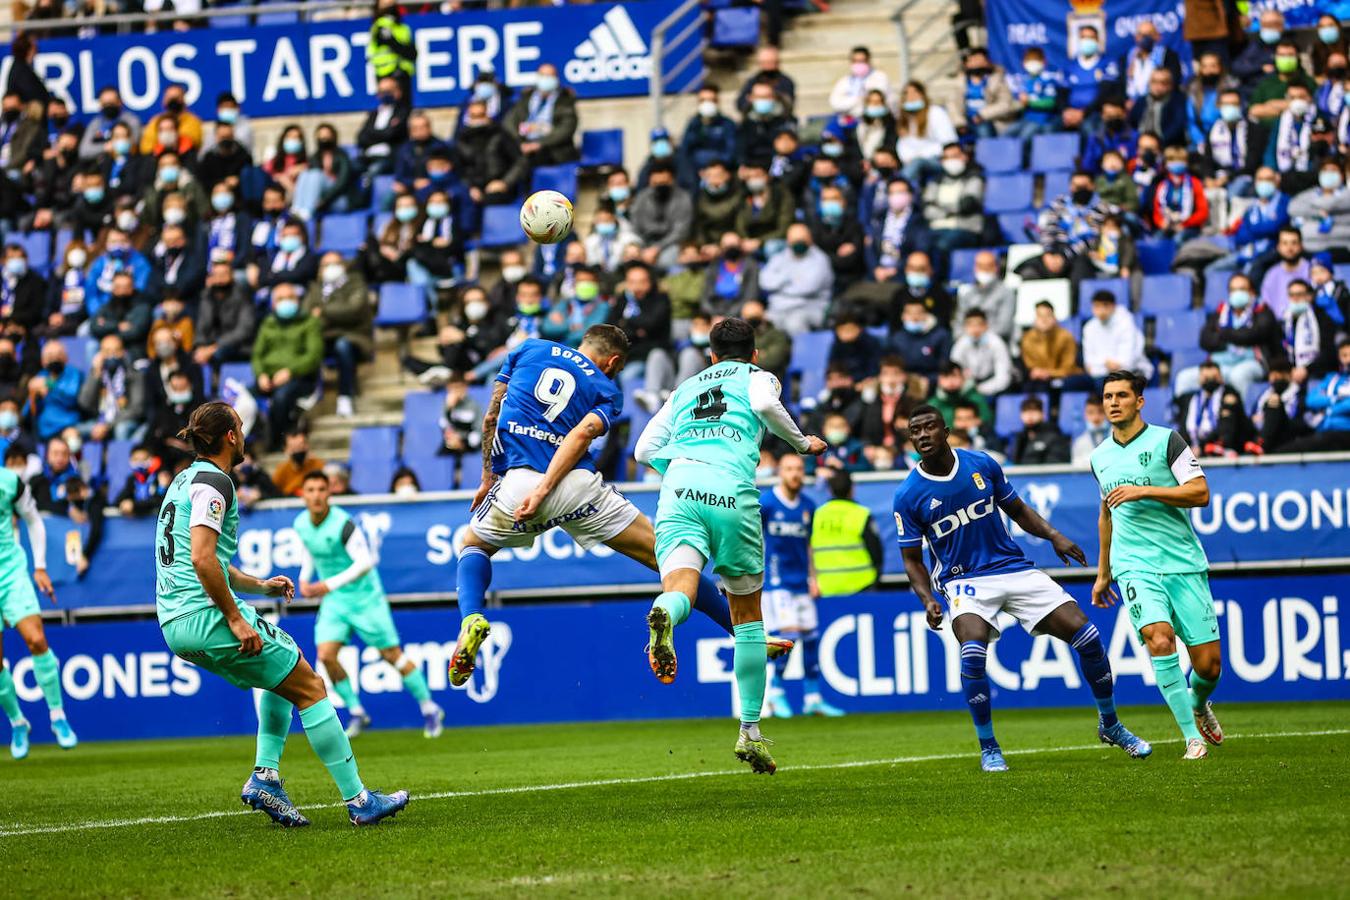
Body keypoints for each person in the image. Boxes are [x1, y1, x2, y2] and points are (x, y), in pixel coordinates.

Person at [450, 325, 793, 695]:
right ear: (613, 362)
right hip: (579, 485)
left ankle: (471, 618)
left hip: (520, 482)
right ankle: (745, 635)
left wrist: (488, 477)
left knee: (473, 546)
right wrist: (548, 485)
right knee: (672, 562)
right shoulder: (606, 388)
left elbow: (491, 417)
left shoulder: (528, 349)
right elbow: (582, 433)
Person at [156, 402, 408, 825]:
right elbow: (202, 560)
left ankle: (266, 776)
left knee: (282, 672)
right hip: (205, 615)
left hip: (175, 621)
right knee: (310, 686)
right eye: (240, 426)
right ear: (230, 436)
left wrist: (260, 586)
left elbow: (209, 561)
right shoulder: (216, 482)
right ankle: (360, 800)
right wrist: (235, 618)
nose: (244, 434)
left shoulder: (183, 480)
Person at [896, 404, 1150, 772]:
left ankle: (1110, 724)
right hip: (963, 581)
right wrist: (927, 599)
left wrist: (1054, 535)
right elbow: (911, 560)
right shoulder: (908, 495)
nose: (922, 435)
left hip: (1013, 568)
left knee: (1089, 636)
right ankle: (989, 747)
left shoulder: (981, 464)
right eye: (915, 430)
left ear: (946, 431)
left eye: (929, 427)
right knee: (972, 652)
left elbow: (1016, 509)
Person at [635, 318, 826, 775]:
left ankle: (665, 613)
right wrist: (801, 444)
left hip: (679, 487)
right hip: (730, 490)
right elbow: (763, 403)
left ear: (711, 356)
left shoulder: (685, 387)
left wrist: (683, 471)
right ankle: (750, 733)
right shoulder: (758, 377)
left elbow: (643, 450)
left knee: (681, 588)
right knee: (747, 620)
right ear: (754, 354)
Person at [1091, 370, 1224, 759]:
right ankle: (1192, 738)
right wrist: (1103, 573)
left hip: (1182, 562)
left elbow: (1200, 493)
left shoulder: (1168, 441)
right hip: (1134, 565)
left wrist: (1145, 490)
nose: (1113, 403)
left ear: (1139, 402)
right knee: (1158, 638)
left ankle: (1198, 703)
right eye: (1108, 397)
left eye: (1121, 395)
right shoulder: (1099, 457)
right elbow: (1106, 515)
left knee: (1209, 667)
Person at [294, 471, 443, 739]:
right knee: (326, 655)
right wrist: (304, 579)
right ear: (303, 495)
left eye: (321, 490)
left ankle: (429, 708)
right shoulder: (301, 523)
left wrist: (327, 584)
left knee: (391, 655)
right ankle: (356, 711)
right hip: (336, 601)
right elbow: (310, 550)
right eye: (310, 490)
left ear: (329, 493)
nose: (316, 496)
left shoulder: (343, 524)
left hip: (365, 598)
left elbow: (365, 562)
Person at [0, 449, 74, 759]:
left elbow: (33, 520)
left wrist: (40, 566)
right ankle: (18, 722)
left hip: (11, 571)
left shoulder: (9, 482)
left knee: (36, 639)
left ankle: (57, 716)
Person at [759, 453, 843, 719]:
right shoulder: (767, 503)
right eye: (789, 469)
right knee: (788, 637)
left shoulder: (808, 506)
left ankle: (813, 699)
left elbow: (808, 545)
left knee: (811, 638)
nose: (794, 474)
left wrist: (813, 577)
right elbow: (752, 538)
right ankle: (775, 693)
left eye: (798, 469)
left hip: (801, 582)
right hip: (776, 582)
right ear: (779, 473)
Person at [252, 285, 323, 448]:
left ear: (298, 301)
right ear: (273, 304)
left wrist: (290, 371)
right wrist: (261, 374)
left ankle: (276, 443)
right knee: (242, 397)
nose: (286, 302)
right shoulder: (268, 323)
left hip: (300, 378)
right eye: (280, 299)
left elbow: (313, 356)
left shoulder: (309, 322)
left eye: (290, 297)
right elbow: (257, 355)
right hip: (269, 378)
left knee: (281, 397)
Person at [304, 254, 372, 419]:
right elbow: (306, 314)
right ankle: (307, 393)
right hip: (323, 337)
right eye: (326, 264)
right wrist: (331, 314)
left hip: (353, 336)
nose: (331, 268)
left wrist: (323, 311)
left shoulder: (356, 283)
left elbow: (353, 310)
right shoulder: (315, 288)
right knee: (305, 345)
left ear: (344, 265)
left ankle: (345, 397)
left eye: (335, 263)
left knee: (343, 346)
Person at [757, 224, 834, 333]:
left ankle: (804, 345)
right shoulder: (781, 257)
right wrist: (787, 279)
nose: (798, 243)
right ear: (788, 241)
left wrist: (778, 288)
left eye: (802, 240)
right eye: (795, 240)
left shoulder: (820, 259)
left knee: (794, 322)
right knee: (758, 322)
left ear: (810, 239)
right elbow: (764, 281)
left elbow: (807, 288)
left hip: (809, 308)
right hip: (778, 309)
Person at [1281, 339, 1350, 453]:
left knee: (1303, 445)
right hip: (1324, 429)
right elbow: (1311, 400)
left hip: (1344, 430)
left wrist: (1328, 410)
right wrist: (1336, 399)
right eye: (1344, 355)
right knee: (1286, 431)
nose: (1348, 360)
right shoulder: (1332, 378)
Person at [1082, 290, 1152, 380]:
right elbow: (1089, 364)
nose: (1101, 310)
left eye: (1105, 305)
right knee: (1070, 383)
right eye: (1097, 306)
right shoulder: (1089, 328)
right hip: (1098, 376)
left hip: (1129, 374)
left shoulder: (1126, 324)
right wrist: (1105, 365)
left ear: (1113, 306)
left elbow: (1126, 363)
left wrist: (1102, 365)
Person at [949, 309, 1013, 397]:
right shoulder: (960, 344)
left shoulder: (997, 343)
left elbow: (1003, 378)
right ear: (965, 327)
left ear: (986, 326)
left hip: (993, 387)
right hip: (969, 386)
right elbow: (953, 371)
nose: (975, 329)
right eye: (970, 325)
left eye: (979, 325)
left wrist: (980, 389)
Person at [955, 251, 1014, 341]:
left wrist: (981, 337)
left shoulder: (1006, 293)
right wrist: (969, 338)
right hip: (968, 341)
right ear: (975, 268)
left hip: (996, 342)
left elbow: (1003, 327)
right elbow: (958, 325)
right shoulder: (967, 294)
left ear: (996, 268)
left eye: (988, 266)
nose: (984, 269)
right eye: (981, 266)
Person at [829, 46, 891, 119]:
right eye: (855, 61)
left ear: (868, 61)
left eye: (862, 61)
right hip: (847, 119)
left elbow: (876, 101)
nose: (858, 64)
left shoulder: (880, 77)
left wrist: (848, 101)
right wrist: (858, 99)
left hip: (871, 119)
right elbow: (835, 103)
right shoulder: (844, 81)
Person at [1009, 396, 1071, 464]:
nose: (1030, 414)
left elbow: (1056, 464)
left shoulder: (1054, 436)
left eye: (1034, 410)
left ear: (1042, 414)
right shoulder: (1018, 438)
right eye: (1025, 410)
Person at [1071, 395, 1111, 464]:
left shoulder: (1119, 437)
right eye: (1090, 412)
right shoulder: (1079, 443)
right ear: (1085, 415)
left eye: (1101, 412)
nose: (1096, 418)